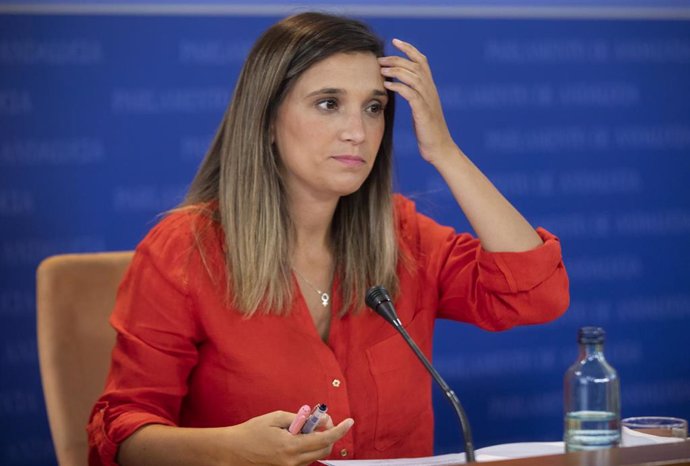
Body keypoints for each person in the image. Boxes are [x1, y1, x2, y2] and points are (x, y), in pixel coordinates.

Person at [87, 11, 569, 466]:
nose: (358, 132)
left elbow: (536, 295)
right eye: (328, 104)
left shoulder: (402, 236)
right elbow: (124, 436)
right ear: (268, 120)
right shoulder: (185, 250)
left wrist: (443, 150)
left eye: (374, 108)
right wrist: (231, 449)